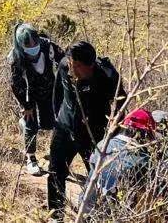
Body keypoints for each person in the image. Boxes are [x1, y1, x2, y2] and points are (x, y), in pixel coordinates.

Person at [47, 40, 125, 220]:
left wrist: (115, 126)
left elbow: (121, 101)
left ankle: (94, 216)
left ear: (87, 66)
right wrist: (59, 120)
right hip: (65, 129)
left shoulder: (107, 75)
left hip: (93, 134)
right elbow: (57, 94)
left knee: (97, 176)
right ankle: (55, 215)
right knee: (56, 172)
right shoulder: (66, 65)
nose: (69, 69)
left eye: (75, 66)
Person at [10, 22, 64, 177]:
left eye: (35, 42)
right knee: (31, 123)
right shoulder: (16, 58)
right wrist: (26, 106)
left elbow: (64, 60)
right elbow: (16, 84)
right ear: (21, 45)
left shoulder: (48, 47)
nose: (33, 46)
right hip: (28, 94)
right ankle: (31, 158)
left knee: (49, 123)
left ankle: (26, 124)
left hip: (48, 89)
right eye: (28, 45)